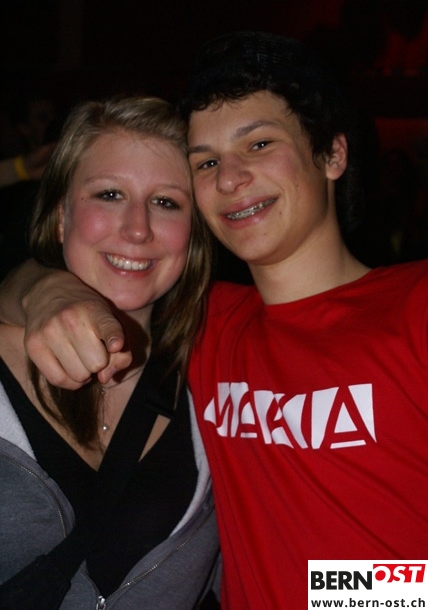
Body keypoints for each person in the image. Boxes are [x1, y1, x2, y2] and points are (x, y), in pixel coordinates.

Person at [1, 31, 427, 609]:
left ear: (332, 153)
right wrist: (45, 290)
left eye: (258, 144)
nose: (229, 179)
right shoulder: (208, 326)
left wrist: (341, 592)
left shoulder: (414, 306)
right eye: (207, 162)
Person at [0, 95, 220, 609]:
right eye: (109, 194)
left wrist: (393, 593)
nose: (138, 228)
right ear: (61, 217)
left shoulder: (221, 376)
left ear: (193, 234)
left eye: (166, 202)